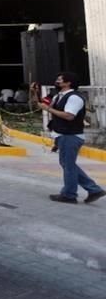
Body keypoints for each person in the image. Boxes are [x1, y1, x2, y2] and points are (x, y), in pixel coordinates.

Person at [42, 72, 105, 204]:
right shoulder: (59, 96)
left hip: (70, 136)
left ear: (68, 82)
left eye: (60, 79)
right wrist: (35, 93)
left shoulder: (74, 98)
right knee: (67, 164)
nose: (57, 81)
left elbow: (69, 116)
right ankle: (93, 189)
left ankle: (69, 194)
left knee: (68, 166)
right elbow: (41, 104)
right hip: (63, 135)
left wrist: (49, 109)